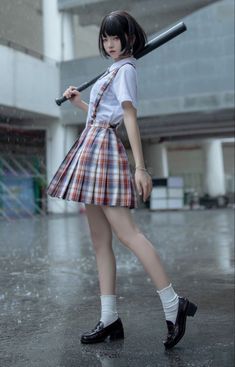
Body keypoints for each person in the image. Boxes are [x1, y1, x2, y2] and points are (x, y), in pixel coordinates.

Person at [47, 10, 197, 349]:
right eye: (105, 38)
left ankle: (175, 305)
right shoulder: (113, 70)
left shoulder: (126, 70)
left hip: (103, 153)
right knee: (100, 241)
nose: (110, 43)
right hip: (92, 146)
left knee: (129, 234)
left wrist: (140, 167)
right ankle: (109, 316)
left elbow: (128, 115)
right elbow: (104, 116)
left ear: (130, 38)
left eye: (116, 37)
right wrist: (79, 103)